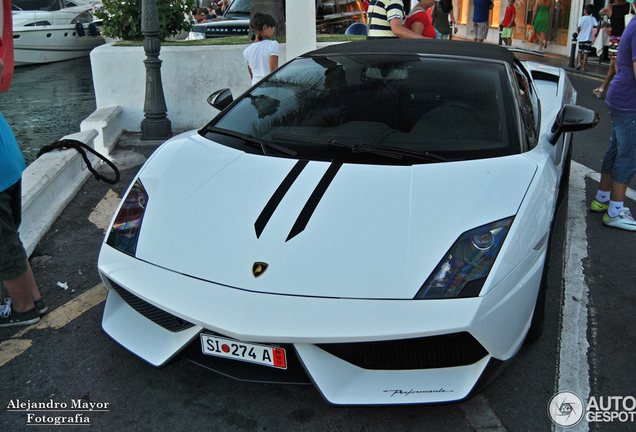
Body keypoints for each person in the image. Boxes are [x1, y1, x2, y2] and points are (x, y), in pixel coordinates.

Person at [0, 58, 47, 327]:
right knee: (10, 240)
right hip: (8, 163)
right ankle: (35, 299)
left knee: (4, 248)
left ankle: (23, 309)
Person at [590, 18, 636, 231]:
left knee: (616, 150)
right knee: (628, 154)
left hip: (621, 96)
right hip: (630, 101)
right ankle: (615, 212)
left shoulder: (633, 23)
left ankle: (602, 199)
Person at [593, 0, 631, 98]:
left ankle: (620, 89)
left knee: (616, 65)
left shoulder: (610, 8)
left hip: (615, 39)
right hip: (627, 38)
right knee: (612, 66)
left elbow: (600, 12)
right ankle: (602, 88)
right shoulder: (630, 6)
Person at [243, 13, 279, 86]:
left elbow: (252, 75)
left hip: (255, 88)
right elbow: (274, 70)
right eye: (272, 28)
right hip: (270, 87)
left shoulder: (246, 51)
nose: (273, 31)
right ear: (265, 28)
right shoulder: (273, 45)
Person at [576, 4, 599, 71]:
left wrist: (578, 32)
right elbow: (598, 26)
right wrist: (596, 33)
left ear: (585, 11)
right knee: (586, 53)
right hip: (588, 38)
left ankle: (579, 63)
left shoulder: (581, 18)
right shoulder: (593, 19)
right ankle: (583, 67)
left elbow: (579, 27)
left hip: (581, 38)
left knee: (580, 51)